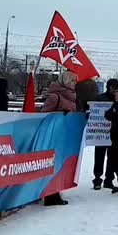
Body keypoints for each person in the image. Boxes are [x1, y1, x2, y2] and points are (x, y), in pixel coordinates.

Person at [40, 71, 77, 206]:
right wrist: (60, 115)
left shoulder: (71, 97)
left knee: (60, 164)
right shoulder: (55, 96)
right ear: (66, 81)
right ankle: (50, 195)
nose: (74, 84)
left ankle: (56, 191)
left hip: (64, 135)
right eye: (72, 81)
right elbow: (44, 115)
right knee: (53, 165)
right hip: (53, 135)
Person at [92, 79, 118, 190]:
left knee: (112, 157)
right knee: (99, 156)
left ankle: (109, 180)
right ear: (108, 87)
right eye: (113, 87)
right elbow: (92, 110)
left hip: (114, 132)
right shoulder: (100, 98)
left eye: (116, 87)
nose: (114, 89)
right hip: (100, 133)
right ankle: (97, 179)